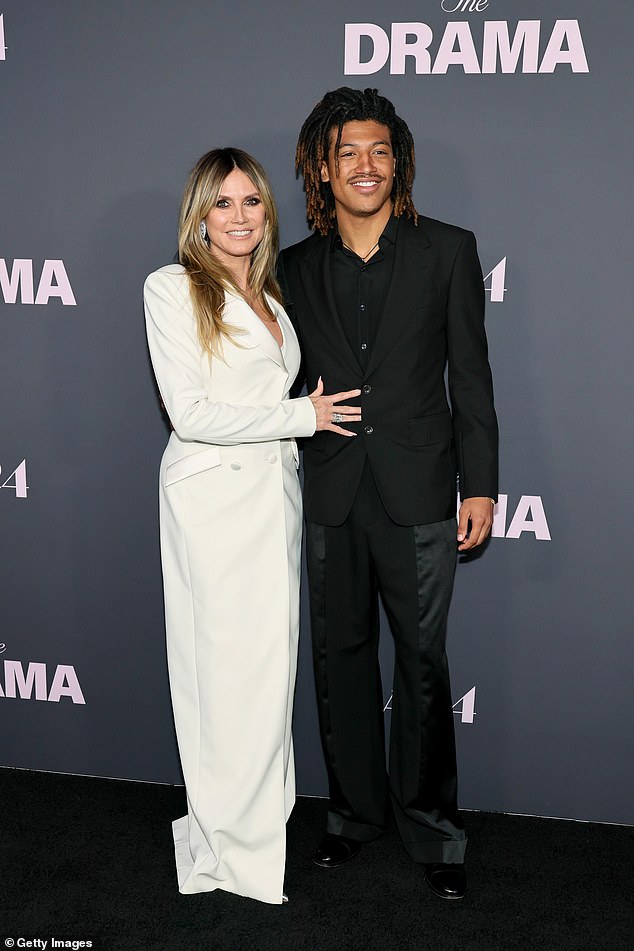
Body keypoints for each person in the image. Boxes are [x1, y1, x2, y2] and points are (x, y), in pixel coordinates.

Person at [278, 88, 498, 900]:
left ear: (397, 160)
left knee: (423, 666)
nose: (364, 166)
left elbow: (470, 378)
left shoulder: (447, 249)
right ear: (322, 168)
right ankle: (350, 817)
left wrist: (481, 486)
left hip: (421, 492)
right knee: (339, 665)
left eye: (378, 150)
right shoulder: (293, 266)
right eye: (347, 153)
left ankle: (436, 830)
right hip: (332, 489)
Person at [144, 147, 360, 905]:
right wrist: (304, 412)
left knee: (264, 685)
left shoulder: (272, 292)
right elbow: (191, 412)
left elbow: (261, 392)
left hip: (274, 500)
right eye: (223, 203)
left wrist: (296, 407)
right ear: (199, 214)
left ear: (269, 212)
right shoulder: (173, 288)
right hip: (213, 507)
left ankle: (249, 845)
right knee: (223, 680)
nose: (240, 216)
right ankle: (225, 853)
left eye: (253, 202)